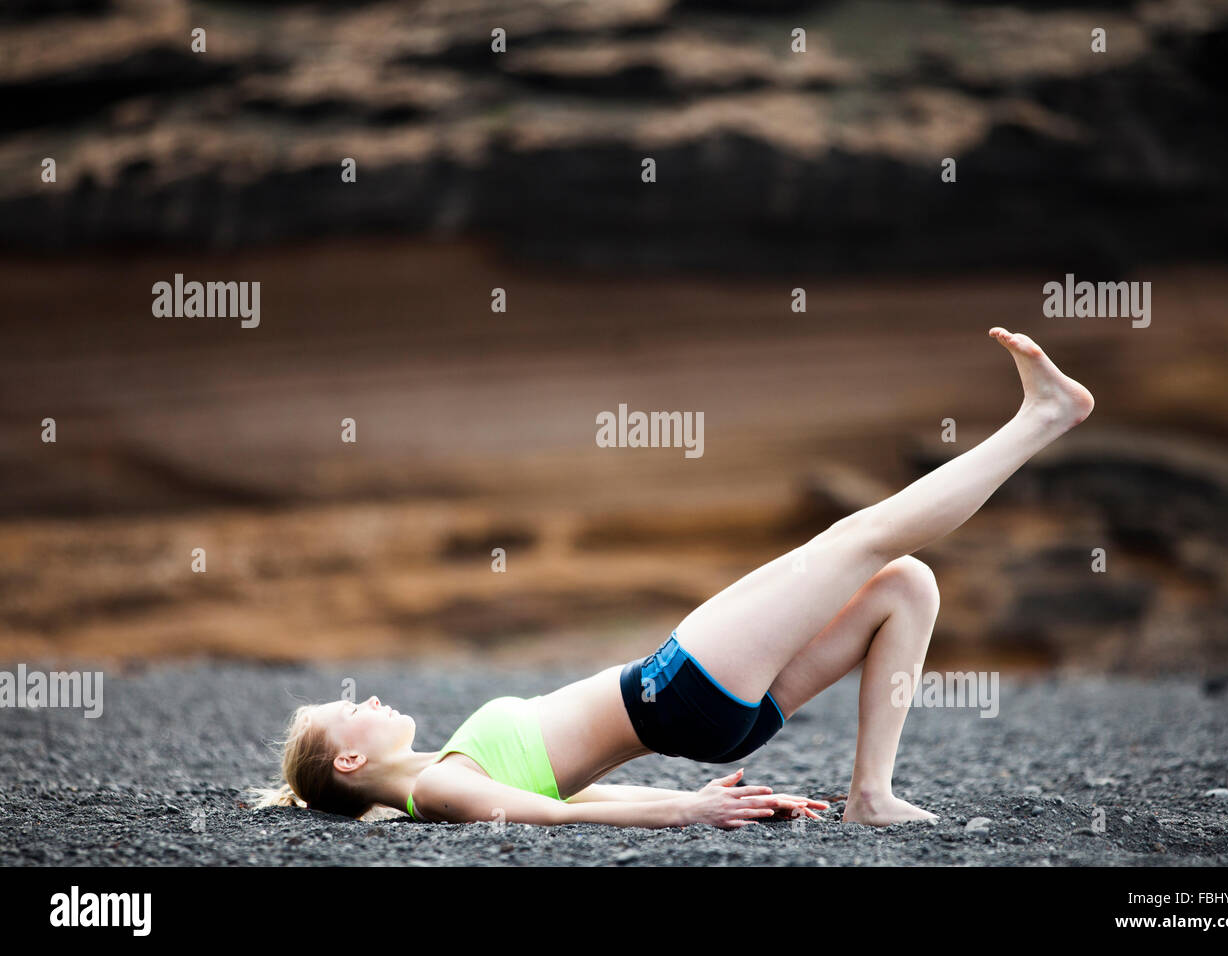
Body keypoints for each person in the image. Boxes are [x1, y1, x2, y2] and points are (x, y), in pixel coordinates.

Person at [250, 328, 1093, 829]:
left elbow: (573, 792)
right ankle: (1041, 419)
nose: (365, 700)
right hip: (676, 689)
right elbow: (560, 819)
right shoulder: (437, 787)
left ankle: (870, 793)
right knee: (861, 537)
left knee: (904, 583)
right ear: (353, 758)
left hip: (702, 716)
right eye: (349, 710)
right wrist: (689, 813)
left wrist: (716, 793)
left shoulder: (443, 768)